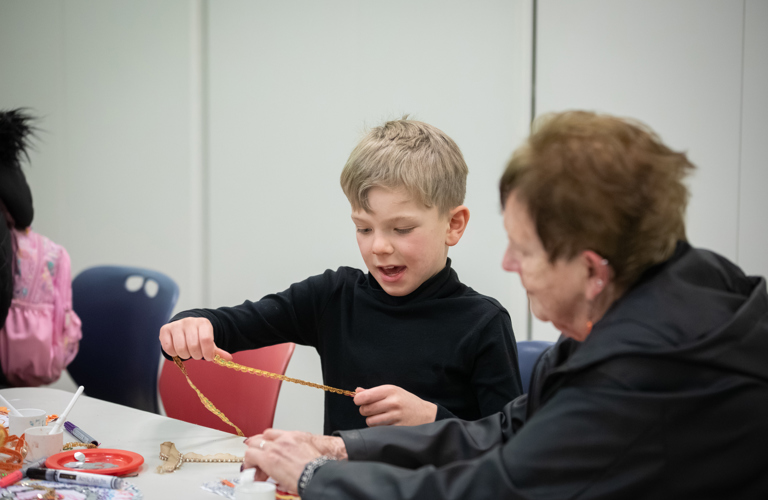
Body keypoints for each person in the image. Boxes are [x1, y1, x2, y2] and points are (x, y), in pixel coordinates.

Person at [242, 110, 768, 498]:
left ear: (591, 270)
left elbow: (498, 489)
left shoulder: (641, 375)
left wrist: (318, 478)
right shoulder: (676, 280)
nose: (508, 263)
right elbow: (510, 428)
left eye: (525, 249)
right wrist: (343, 449)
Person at [159, 118, 522, 435]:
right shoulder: (333, 297)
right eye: (364, 229)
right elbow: (231, 324)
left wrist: (432, 419)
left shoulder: (483, 323)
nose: (379, 246)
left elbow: (513, 450)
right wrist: (189, 326)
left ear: (453, 225)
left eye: (401, 228)